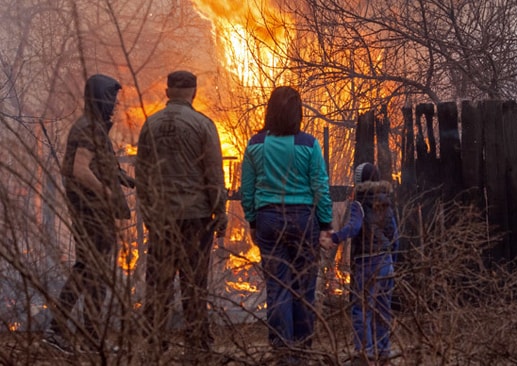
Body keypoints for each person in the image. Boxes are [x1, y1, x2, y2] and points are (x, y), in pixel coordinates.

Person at [134, 70, 227, 360]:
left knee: (159, 284)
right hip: (195, 217)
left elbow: (142, 173)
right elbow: (213, 172)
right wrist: (220, 210)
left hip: (162, 217)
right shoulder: (203, 124)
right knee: (194, 284)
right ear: (194, 92)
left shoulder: (150, 125)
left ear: (167, 92)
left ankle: (154, 344)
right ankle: (197, 346)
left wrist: (149, 212)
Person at [240, 86, 333, 363]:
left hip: (268, 220)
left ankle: (283, 353)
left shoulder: (255, 144)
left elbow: (247, 188)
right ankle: (303, 350)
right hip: (304, 221)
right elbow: (320, 187)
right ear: (298, 113)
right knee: (303, 288)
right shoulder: (309, 144)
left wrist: (253, 221)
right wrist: (325, 223)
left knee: (277, 287)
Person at [43, 74, 134, 354]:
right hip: (91, 212)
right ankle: (59, 330)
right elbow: (79, 169)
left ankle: (90, 336)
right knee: (88, 270)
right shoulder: (88, 128)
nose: (115, 106)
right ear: (100, 98)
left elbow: (93, 164)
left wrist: (120, 177)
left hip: (93, 212)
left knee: (92, 272)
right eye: (112, 99)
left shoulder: (93, 127)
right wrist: (106, 193)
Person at [321, 162, 399, 365]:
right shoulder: (386, 203)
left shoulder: (359, 203)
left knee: (361, 309)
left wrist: (334, 238)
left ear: (359, 182)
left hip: (367, 263)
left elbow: (354, 228)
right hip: (386, 262)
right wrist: (393, 262)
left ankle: (365, 352)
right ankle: (383, 352)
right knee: (383, 310)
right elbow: (395, 236)